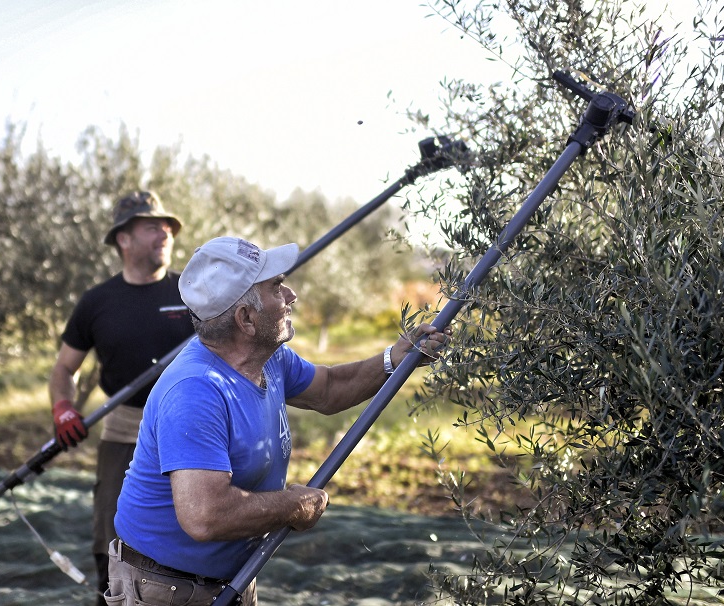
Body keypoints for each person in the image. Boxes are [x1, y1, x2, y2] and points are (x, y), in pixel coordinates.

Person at [106, 236, 451, 605]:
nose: (291, 295)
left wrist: (393, 358)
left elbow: (330, 388)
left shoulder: (267, 358)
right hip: (165, 588)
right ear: (246, 319)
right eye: (275, 287)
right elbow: (205, 515)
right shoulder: (197, 391)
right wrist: (291, 506)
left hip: (229, 580)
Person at [48, 191, 195, 605]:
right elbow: (64, 369)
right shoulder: (97, 302)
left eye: (167, 227)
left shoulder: (191, 293)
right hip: (124, 425)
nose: (164, 233)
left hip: (187, 426)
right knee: (111, 531)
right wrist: (63, 408)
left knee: (197, 524)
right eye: (152, 226)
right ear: (123, 240)